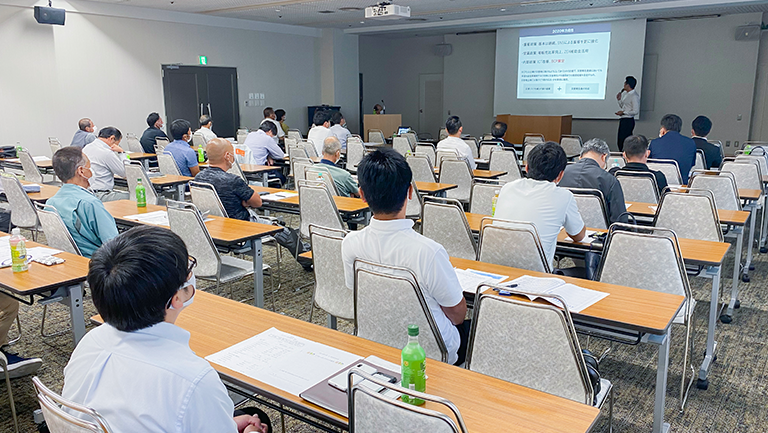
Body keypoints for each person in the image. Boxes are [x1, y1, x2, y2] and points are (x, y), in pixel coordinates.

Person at [62, 226, 270, 433]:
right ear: (177, 298)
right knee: (259, 419)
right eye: (188, 270)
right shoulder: (194, 380)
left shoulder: (90, 342)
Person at [342, 149, 469, 366]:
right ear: (410, 192)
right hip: (430, 351)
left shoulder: (350, 243)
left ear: (362, 194)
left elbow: (358, 294)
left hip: (376, 339)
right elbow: (457, 315)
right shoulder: (428, 252)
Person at [494, 142, 585, 266]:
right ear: (560, 175)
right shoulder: (564, 196)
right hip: (536, 275)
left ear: (526, 168)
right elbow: (579, 236)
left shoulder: (507, 187)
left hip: (496, 266)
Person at [47, 147, 119, 257]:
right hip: (96, 264)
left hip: (67, 261)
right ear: (81, 171)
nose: (92, 171)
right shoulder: (90, 204)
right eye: (90, 167)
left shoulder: (50, 203)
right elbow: (114, 245)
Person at [559, 138, 627, 223]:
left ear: (580, 157)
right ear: (604, 157)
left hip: (563, 231)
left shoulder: (561, 173)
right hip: (599, 233)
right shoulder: (609, 180)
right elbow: (619, 220)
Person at [195, 138, 263, 221]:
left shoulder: (198, 177)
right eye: (232, 154)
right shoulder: (233, 180)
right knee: (282, 231)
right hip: (242, 225)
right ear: (227, 156)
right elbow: (258, 202)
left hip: (213, 223)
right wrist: (245, 201)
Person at [82, 126, 130, 202]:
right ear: (112, 138)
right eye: (117, 144)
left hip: (87, 192)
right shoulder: (107, 152)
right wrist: (122, 153)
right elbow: (126, 173)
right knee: (135, 196)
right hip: (101, 194)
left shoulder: (86, 148)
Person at [649, 114, 696, 184]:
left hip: (658, 185)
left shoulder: (654, 143)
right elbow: (692, 163)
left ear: (663, 128)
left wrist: (661, 137)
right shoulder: (690, 143)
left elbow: (650, 163)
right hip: (681, 185)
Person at [615, 76, 640, 152]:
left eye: (625, 83)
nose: (624, 85)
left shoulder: (634, 96)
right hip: (623, 119)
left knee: (625, 141)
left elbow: (635, 111)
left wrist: (624, 112)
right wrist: (619, 100)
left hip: (628, 120)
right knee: (620, 140)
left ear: (628, 85)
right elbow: (625, 107)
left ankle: (626, 155)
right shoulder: (627, 94)